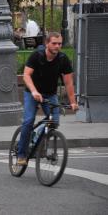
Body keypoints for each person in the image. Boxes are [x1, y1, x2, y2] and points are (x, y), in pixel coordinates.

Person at [17, 32, 78, 165]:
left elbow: (68, 83)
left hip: (50, 94)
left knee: (54, 122)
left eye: (60, 43)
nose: (57, 46)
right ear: (47, 43)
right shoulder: (37, 56)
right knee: (28, 121)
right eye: (54, 43)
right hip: (32, 93)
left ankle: (37, 138)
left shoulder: (63, 59)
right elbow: (26, 75)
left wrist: (73, 102)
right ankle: (21, 154)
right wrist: (34, 92)